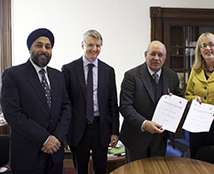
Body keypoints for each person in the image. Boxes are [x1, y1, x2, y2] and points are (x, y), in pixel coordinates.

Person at [0, 28, 71, 174]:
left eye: (48, 46)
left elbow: (66, 108)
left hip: (55, 154)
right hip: (27, 156)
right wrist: (45, 139)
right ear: (29, 48)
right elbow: (13, 114)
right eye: (39, 45)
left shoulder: (58, 76)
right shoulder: (13, 74)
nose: (44, 50)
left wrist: (56, 138)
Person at [62, 29, 119, 174]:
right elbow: (64, 104)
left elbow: (113, 103)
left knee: (100, 168)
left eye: (98, 46)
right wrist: (64, 133)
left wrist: (114, 132)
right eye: (91, 45)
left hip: (101, 128)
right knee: (80, 168)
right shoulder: (68, 69)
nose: (94, 49)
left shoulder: (108, 71)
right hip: (78, 128)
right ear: (82, 45)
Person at [119, 40, 182, 163]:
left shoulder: (172, 76)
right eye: (152, 54)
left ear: (165, 57)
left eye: (160, 55)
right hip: (136, 138)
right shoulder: (131, 76)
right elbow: (125, 106)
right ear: (145, 54)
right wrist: (144, 124)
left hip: (160, 139)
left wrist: (175, 101)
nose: (156, 58)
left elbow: (180, 101)